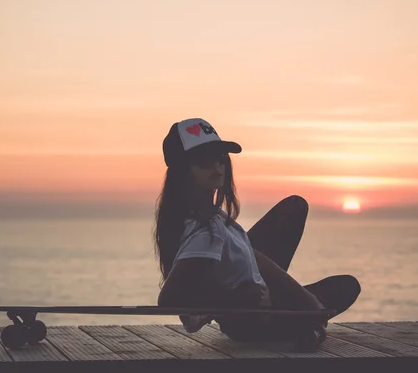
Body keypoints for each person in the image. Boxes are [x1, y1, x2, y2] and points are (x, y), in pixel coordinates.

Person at [153, 118, 361, 342]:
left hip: (257, 299)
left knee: (295, 208)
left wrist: (306, 299)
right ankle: (301, 324)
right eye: (204, 160)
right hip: (250, 320)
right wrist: (232, 299)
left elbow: (256, 258)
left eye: (220, 158)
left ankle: (303, 314)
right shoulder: (205, 231)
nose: (216, 166)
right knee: (337, 297)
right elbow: (169, 299)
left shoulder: (215, 218)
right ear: (183, 170)